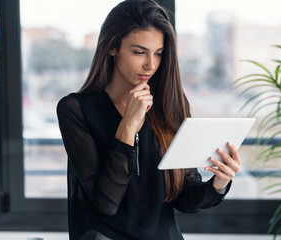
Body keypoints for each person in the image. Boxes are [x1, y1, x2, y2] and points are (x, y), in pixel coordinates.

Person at [56, 0, 241, 239]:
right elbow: (106, 203)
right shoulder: (75, 109)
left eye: (158, 53)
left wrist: (219, 181)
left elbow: (185, 197)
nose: (150, 64)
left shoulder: (169, 105)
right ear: (112, 47)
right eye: (139, 52)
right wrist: (128, 127)